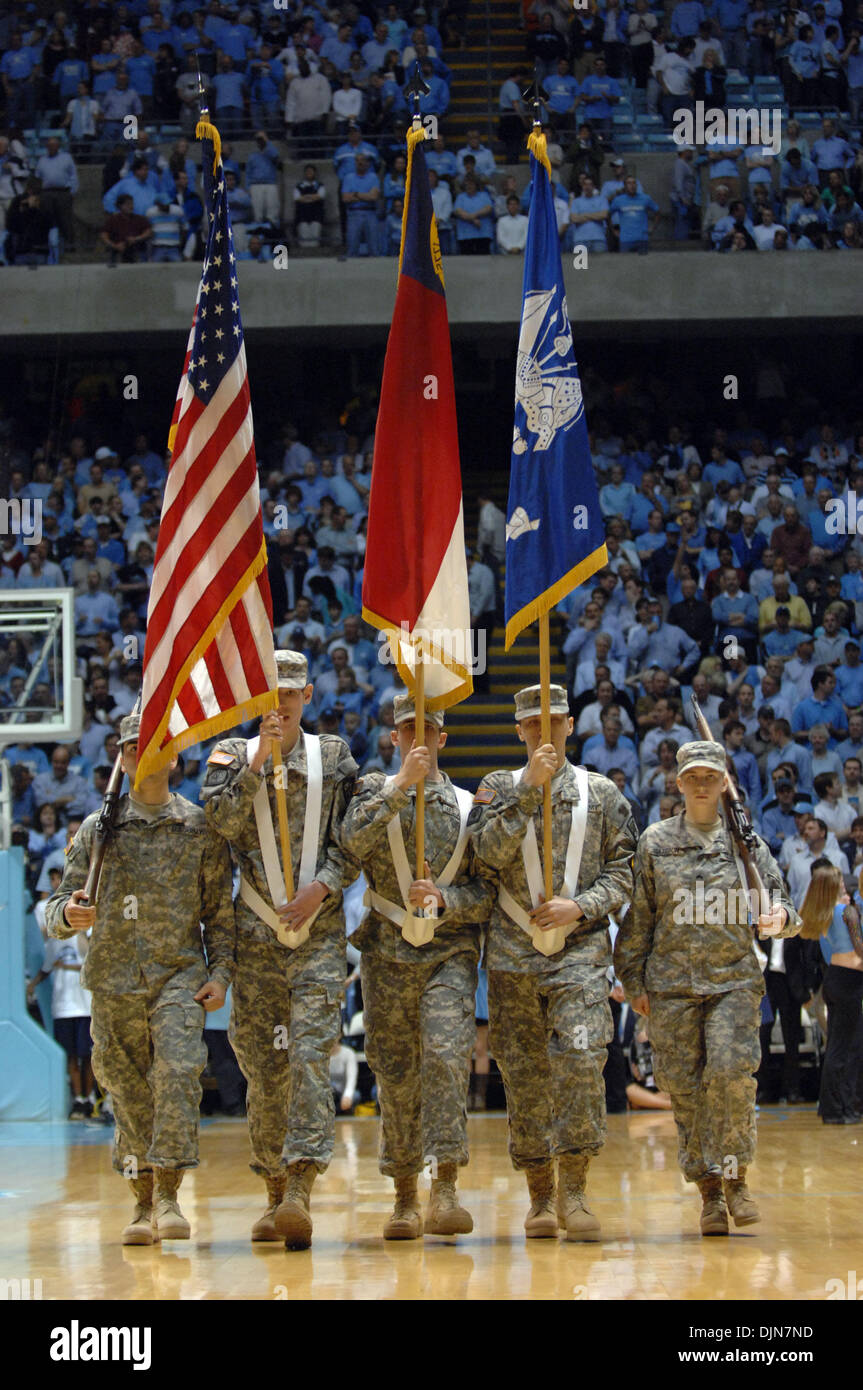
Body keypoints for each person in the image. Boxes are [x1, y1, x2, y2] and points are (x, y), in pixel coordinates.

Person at [44, 714, 235, 1245]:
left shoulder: (199, 828)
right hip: (112, 981)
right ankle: (142, 1200)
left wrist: (220, 975)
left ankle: (171, 1194)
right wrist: (69, 915)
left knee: (176, 1072)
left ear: (173, 756)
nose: (137, 755)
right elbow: (57, 906)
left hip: (178, 976)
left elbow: (220, 915)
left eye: (150, 746)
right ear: (121, 759)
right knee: (127, 1092)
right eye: (128, 748)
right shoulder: (97, 830)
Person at [200, 650, 358, 1250]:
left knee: (311, 1054)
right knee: (264, 1068)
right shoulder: (229, 757)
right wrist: (257, 761)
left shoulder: (335, 756)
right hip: (257, 939)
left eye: (290, 692)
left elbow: (354, 837)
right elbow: (219, 825)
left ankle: (301, 1187)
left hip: (317, 934)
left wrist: (324, 887)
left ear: (308, 695)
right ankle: (271, 1187)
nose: (281, 703)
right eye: (270, 694)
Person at [470, 684, 637, 1241]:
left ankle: (576, 1190)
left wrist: (580, 905)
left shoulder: (603, 793)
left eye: (554, 723)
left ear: (570, 725)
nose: (545, 733)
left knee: (583, 1058)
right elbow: (484, 858)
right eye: (532, 725)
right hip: (514, 954)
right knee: (524, 1075)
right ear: (520, 731)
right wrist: (527, 792)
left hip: (581, 950)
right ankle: (540, 1193)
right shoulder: (496, 788)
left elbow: (624, 871)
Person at [616, 741, 800, 1236]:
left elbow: (783, 906)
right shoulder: (654, 842)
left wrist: (778, 916)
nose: (701, 784)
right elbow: (639, 920)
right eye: (692, 776)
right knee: (688, 1089)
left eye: (710, 776)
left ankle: (737, 1177)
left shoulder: (746, 844)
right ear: (678, 783)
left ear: (724, 783)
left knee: (732, 1072)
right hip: (672, 987)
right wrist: (632, 981)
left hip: (734, 981)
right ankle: (709, 1191)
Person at [340, 692, 489, 1238]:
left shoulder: (471, 808)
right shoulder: (371, 794)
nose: (417, 738)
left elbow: (487, 891)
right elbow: (349, 844)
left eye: (427, 730)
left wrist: (450, 898)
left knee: (448, 1053)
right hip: (386, 953)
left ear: (442, 739)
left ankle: (445, 1183)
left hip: (448, 951)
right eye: (407, 730)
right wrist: (401, 785)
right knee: (394, 1070)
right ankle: (404, 1192)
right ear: (393, 736)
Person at [799, 862, 863, 1123]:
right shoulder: (846, 912)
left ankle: (831, 1107)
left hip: (834, 980)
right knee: (845, 1048)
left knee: (836, 1047)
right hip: (850, 981)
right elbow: (860, 950)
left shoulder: (824, 913)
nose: (843, 883)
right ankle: (839, 1109)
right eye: (838, 880)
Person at [27, 929, 94, 1120]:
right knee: (70, 1055)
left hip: (85, 1007)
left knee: (88, 1056)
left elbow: (90, 963)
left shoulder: (87, 938)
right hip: (63, 1008)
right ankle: (78, 1100)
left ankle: (89, 1097)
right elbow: (46, 968)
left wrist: (65, 966)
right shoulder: (54, 942)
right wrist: (32, 985)